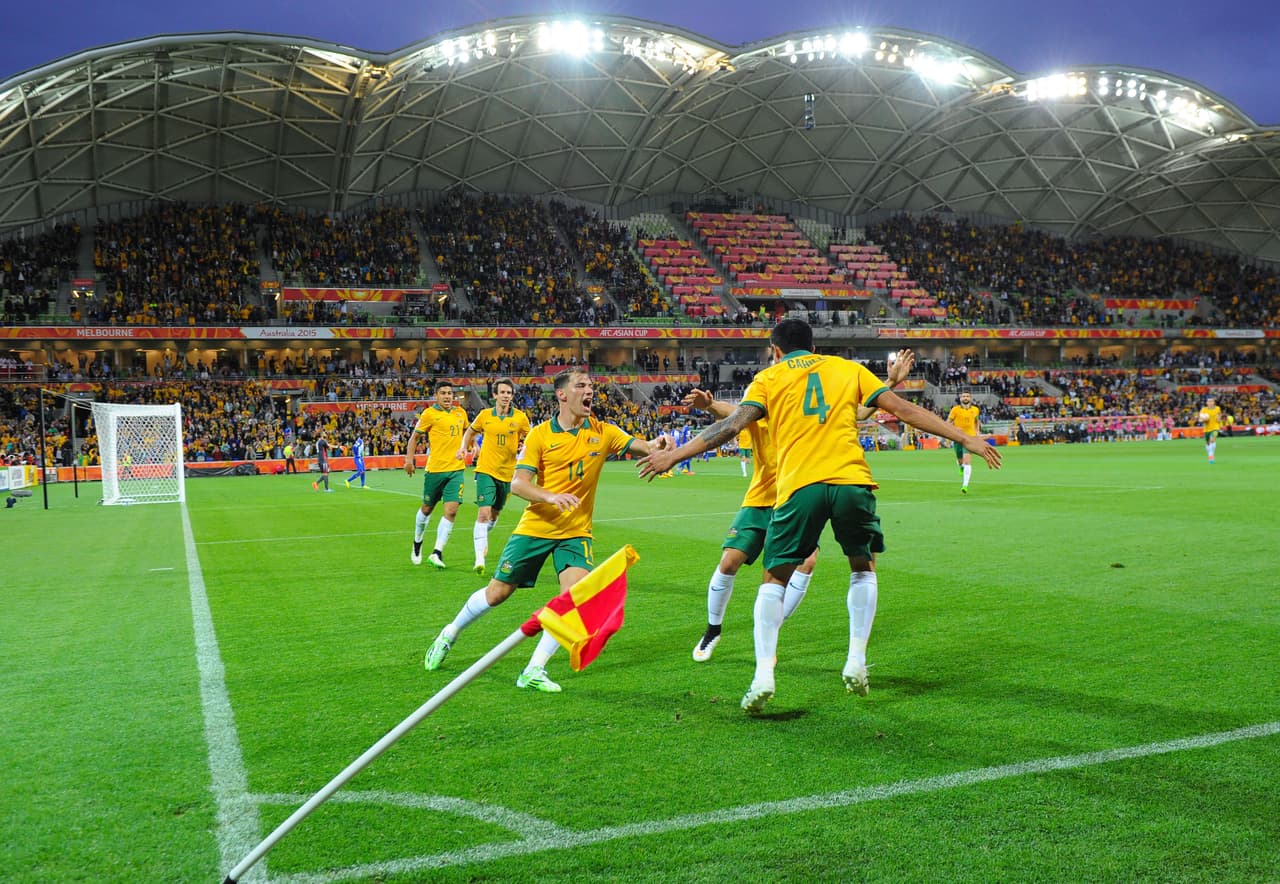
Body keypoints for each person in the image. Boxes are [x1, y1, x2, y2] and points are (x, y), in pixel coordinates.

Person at [638, 320, 1000, 714]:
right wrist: (965, 438)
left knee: (774, 576)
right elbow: (902, 410)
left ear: (776, 350)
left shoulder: (768, 378)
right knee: (862, 568)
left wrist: (672, 455)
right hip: (851, 480)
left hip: (798, 487)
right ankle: (857, 660)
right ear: (812, 346)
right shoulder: (845, 369)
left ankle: (763, 674)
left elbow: (732, 424)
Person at [422, 368, 672, 693]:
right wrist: (551, 496)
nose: (589, 391)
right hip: (537, 526)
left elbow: (641, 445)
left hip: (575, 531)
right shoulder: (540, 435)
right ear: (562, 394)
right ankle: (450, 633)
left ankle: (533, 669)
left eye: (591, 386)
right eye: (581, 385)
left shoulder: (604, 431)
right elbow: (519, 484)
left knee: (574, 596)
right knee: (497, 593)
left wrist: (657, 444)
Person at [685, 348, 916, 663]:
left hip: (799, 494)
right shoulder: (760, 401)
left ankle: (772, 627)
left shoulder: (802, 406)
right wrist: (710, 404)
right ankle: (713, 629)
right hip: (763, 498)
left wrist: (889, 381)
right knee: (729, 563)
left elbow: (857, 412)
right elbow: (731, 413)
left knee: (806, 564)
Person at [460, 378, 532, 575]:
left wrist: (526, 450)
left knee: (494, 515)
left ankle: (482, 535)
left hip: (508, 474)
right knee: (483, 514)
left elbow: (532, 439)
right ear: (495, 395)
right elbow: (469, 432)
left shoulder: (520, 418)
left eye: (509, 392)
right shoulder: (485, 416)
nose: (506, 396)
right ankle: (479, 559)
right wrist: (463, 448)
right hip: (485, 470)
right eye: (502, 392)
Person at [404, 380, 469, 568]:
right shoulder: (429, 414)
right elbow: (415, 437)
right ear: (436, 396)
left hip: (456, 470)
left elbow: (467, 433)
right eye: (443, 393)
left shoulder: (460, 413)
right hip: (435, 470)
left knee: (451, 510)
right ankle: (417, 542)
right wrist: (409, 460)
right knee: (427, 508)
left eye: (450, 393)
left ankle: (437, 552)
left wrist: (474, 445)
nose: (448, 396)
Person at [947, 391, 982, 494]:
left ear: (970, 398)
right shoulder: (955, 409)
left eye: (967, 396)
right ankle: (961, 466)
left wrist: (977, 432)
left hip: (969, 438)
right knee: (960, 460)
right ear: (960, 398)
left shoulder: (975, 410)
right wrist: (949, 434)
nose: (965, 398)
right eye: (963, 396)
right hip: (957, 438)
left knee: (967, 461)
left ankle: (965, 485)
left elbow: (976, 421)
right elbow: (948, 422)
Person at [1197, 396, 1222, 464]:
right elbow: (1200, 419)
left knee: (1212, 440)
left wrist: (1219, 418)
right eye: (1208, 401)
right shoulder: (1203, 409)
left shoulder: (1217, 408)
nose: (1210, 402)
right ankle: (1210, 455)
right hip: (1206, 429)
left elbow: (1220, 414)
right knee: (1208, 444)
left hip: (1215, 428)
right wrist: (1203, 419)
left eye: (1211, 401)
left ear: (1214, 402)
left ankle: (1211, 456)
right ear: (1206, 402)